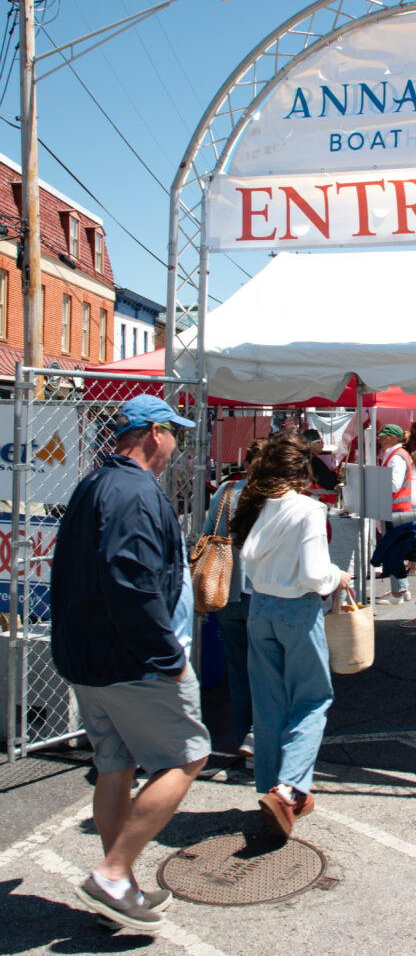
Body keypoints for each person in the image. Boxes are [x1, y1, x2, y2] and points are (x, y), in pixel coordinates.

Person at [50, 394, 211, 933]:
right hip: (131, 661)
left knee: (115, 764)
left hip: (88, 657)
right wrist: (169, 659)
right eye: (176, 435)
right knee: (188, 756)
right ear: (154, 434)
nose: (177, 446)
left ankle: (118, 886)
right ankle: (114, 874)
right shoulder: (134, 491)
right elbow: (132, 583)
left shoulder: (95, 483)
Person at [232, 428, 352, 838]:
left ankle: (270, 787)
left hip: (260, 607)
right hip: (296, 610)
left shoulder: (255, 504)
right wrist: (340, 575)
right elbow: (316, 574)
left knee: (268, 704)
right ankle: (287, 789)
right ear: (302, 470)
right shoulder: (307, 509)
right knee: (313, 699)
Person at [202, 437, 266, 766]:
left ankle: (244, 740)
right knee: (269, 672)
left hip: (227, 590)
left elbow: (205, 535)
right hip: (263, 594)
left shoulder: (224, 492)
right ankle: (259, 740)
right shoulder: (273, 497)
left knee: (239, 674)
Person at [376, 423, 413, 603]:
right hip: (398, 508)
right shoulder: (397, 454)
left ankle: (398, 592)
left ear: (392, 438)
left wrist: (376, 479)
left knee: (392, 551)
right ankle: (401, 589)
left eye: (383, 437)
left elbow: (394, 484)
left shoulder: (396, 457)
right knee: (395, 550)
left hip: (395, 509)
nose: (380, 440)